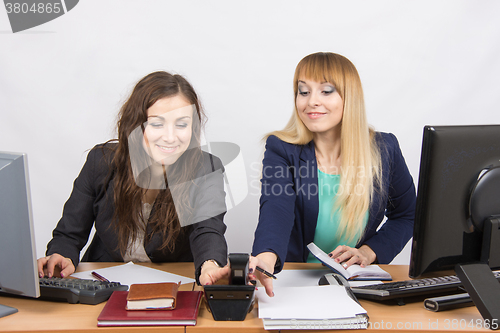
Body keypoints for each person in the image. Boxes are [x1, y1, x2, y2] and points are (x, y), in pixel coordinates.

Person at [37, 71, 229, 285]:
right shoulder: (100, 162)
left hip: (172, 287)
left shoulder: (206, 168)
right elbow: (69, 234)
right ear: (136, 125)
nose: (170, 137)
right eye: (157, 124)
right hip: (103, 284)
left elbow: (208, 230)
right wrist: (61, 256)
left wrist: (210, 264)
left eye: (181, 124)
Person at [250, 52, 416, 296]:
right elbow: (276, 208)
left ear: (349, 98)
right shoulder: (281, 149)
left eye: (326, 91)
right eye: (303, 91)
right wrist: (265, 258)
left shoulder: (384, 149)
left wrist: (369, 252)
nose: (311, 102)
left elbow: (407, 214)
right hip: (297, 284)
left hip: (357, 284)